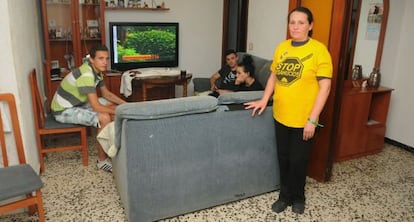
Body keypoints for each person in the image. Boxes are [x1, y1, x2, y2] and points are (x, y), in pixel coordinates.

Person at [244, 7, 332, 214]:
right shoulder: (282, 47)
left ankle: (299, 196)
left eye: (301, 22)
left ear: (310, 26)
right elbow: (273, 76)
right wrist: (264, 99)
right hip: (281, 115)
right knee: (283, 158)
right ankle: (284, 196)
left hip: (304, 119)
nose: (296, 26)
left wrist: (313, 119)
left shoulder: (319, 51)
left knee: (298, 160)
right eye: (292, 22)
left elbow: (325, 87)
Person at [51, 45, 127, 172]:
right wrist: (120, 111)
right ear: (92, 59)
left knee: (110, 105)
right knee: (104, 117)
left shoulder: (97, 71)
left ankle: (113, 147)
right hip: (63, 110)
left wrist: (125, 105)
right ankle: (102, 161)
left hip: (78, 103)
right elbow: (96, 106)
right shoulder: (86, 74)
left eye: (107, 59)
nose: (105, 62)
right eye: (101, 58)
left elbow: (106, 94)